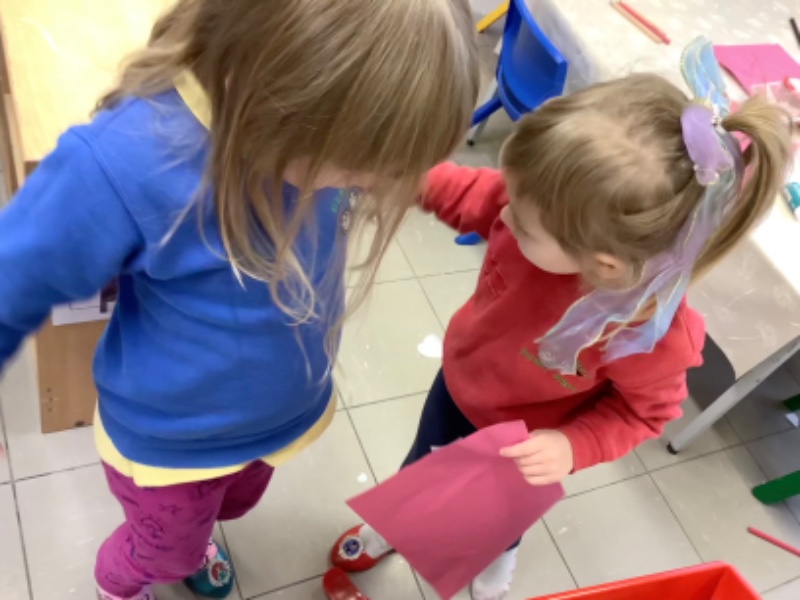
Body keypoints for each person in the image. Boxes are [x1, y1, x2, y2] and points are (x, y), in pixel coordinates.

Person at [0, 1, 480, 598]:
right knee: (160, 549)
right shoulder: (130, 161)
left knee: (227, 508)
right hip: (172, 445)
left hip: (272, 423)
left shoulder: (314, 140)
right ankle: (119, 584)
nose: (372, 185)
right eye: (359, 166)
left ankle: (189, 543)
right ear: (266, 91)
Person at [330, 39, 792, 600]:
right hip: (459, 386)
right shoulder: (536, 209)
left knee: (497, 519)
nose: (502, 216)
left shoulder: (647, 336)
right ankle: (396, 523)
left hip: (525, 444)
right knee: (421, 470)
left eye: (522, 224)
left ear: (603, 265)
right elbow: (471, 192)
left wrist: (573, 446)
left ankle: (496, 566)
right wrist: (405, 179)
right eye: (511, 199)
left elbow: (643, 414)